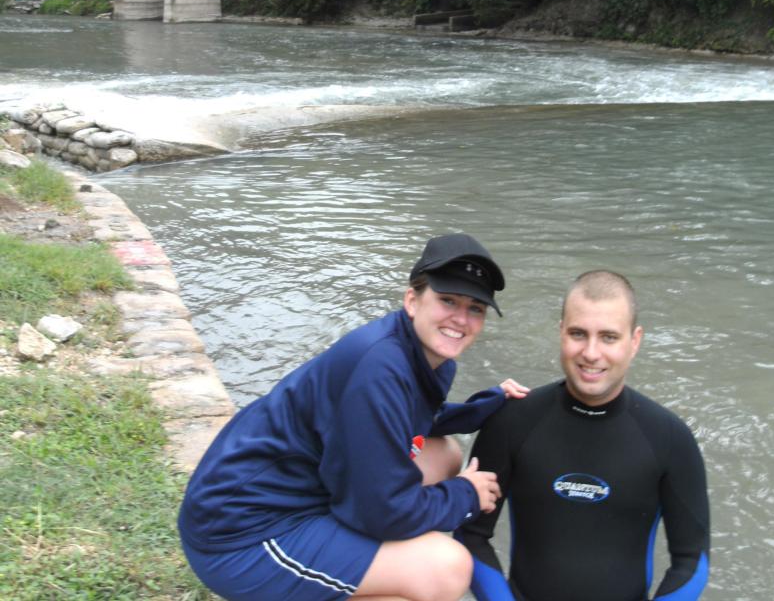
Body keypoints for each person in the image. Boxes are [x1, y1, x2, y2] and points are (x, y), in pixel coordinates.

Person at [178, 232, 530, 601]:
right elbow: (383, 513)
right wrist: (465, 495)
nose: (460, 318)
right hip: (240, 536)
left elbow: (409, 418)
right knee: (445, 569)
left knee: (443, 454)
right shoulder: (379, 367)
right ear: (412, 300)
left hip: (300, 495)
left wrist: (484, 406)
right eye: (447, 300)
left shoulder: (424, 357)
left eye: (475, 308)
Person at [457, 269, 711, 601]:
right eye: (578, 334)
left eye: (608, 337)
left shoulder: (670, 438)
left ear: (634, 341)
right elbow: (471, 533)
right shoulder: (512, 421)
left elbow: (692, 560)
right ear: (561, 332)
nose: (591, 353)